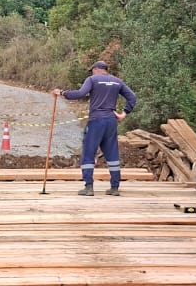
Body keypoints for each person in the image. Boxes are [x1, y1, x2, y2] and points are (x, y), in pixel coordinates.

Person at [53, 60, 137, 196]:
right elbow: (132, 97)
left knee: (88, 152)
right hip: (111, 121)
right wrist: (124, 113)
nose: (91, 72)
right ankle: (115, 187)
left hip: (96, 120)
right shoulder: (117, 81)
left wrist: (62, 93)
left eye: (92, 70)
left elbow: (80, 94)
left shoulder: (92, 80)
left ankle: (89, 187)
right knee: (112, 153)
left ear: (97, 69)